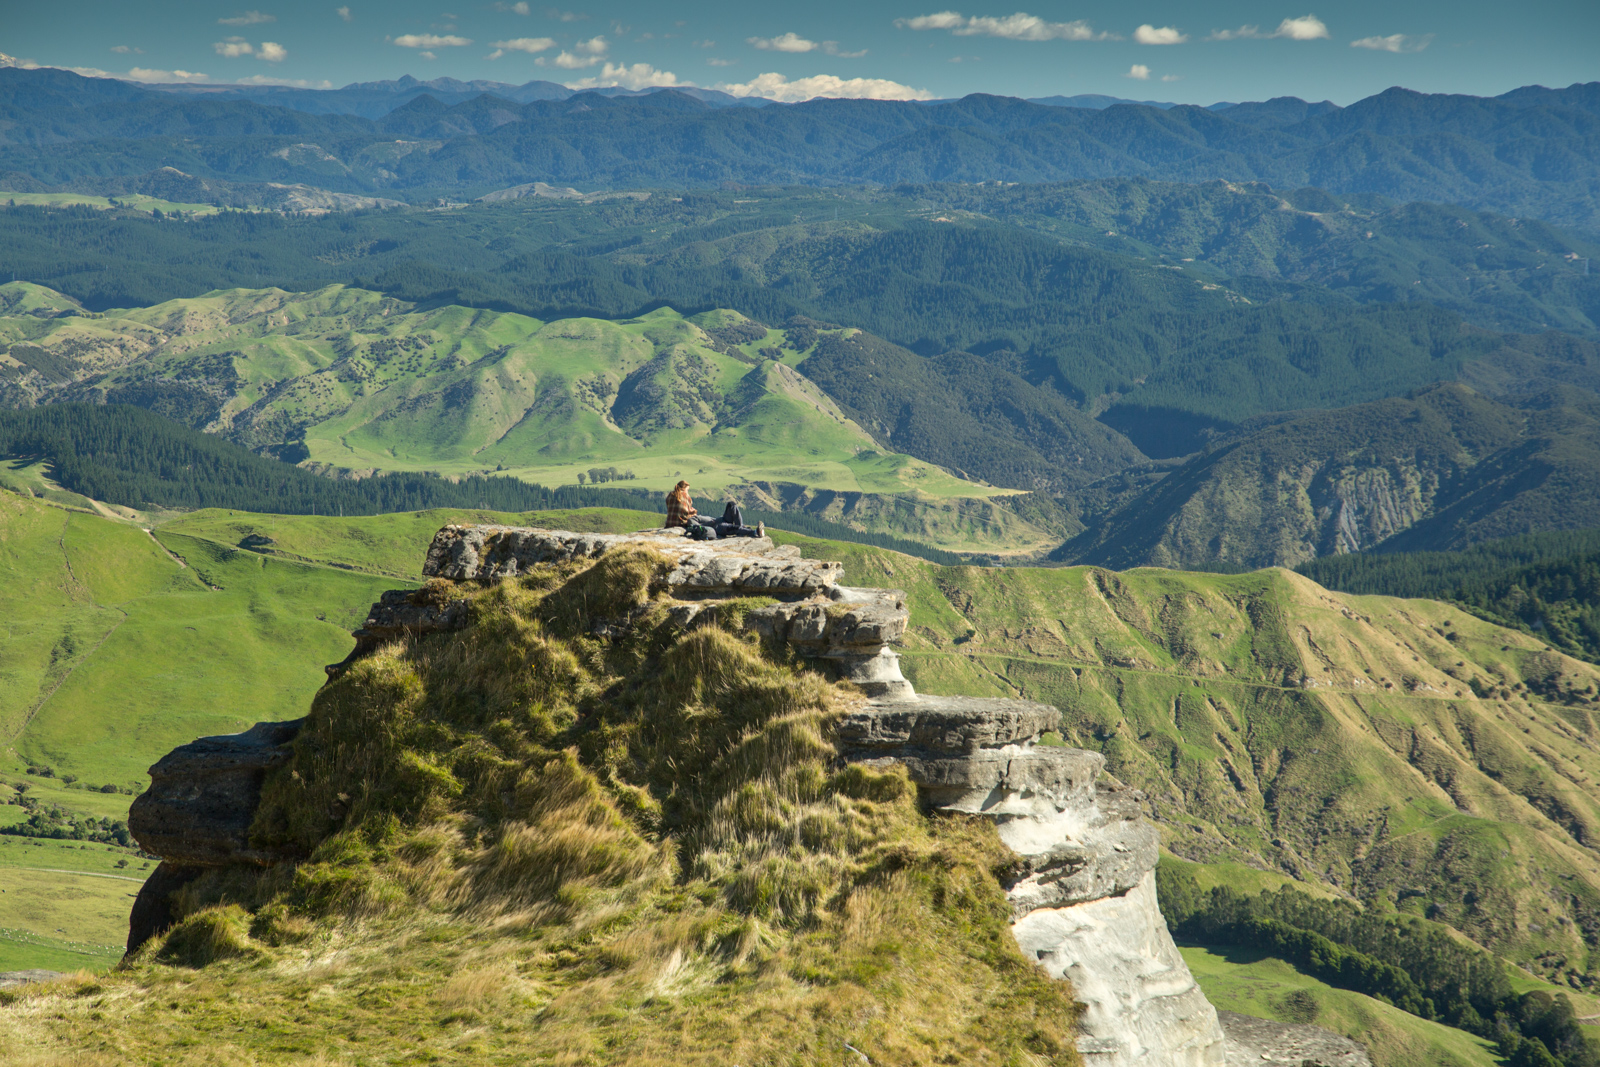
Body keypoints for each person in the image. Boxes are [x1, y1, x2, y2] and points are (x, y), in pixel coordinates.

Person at [663, 482, 764, 539]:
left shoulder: (695, 518)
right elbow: (698, 523)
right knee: (732, 528)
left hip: (720, 519)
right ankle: (754, 532)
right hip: (717, 526)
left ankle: (741, 528)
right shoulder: (692, 522)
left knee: (731, 504)